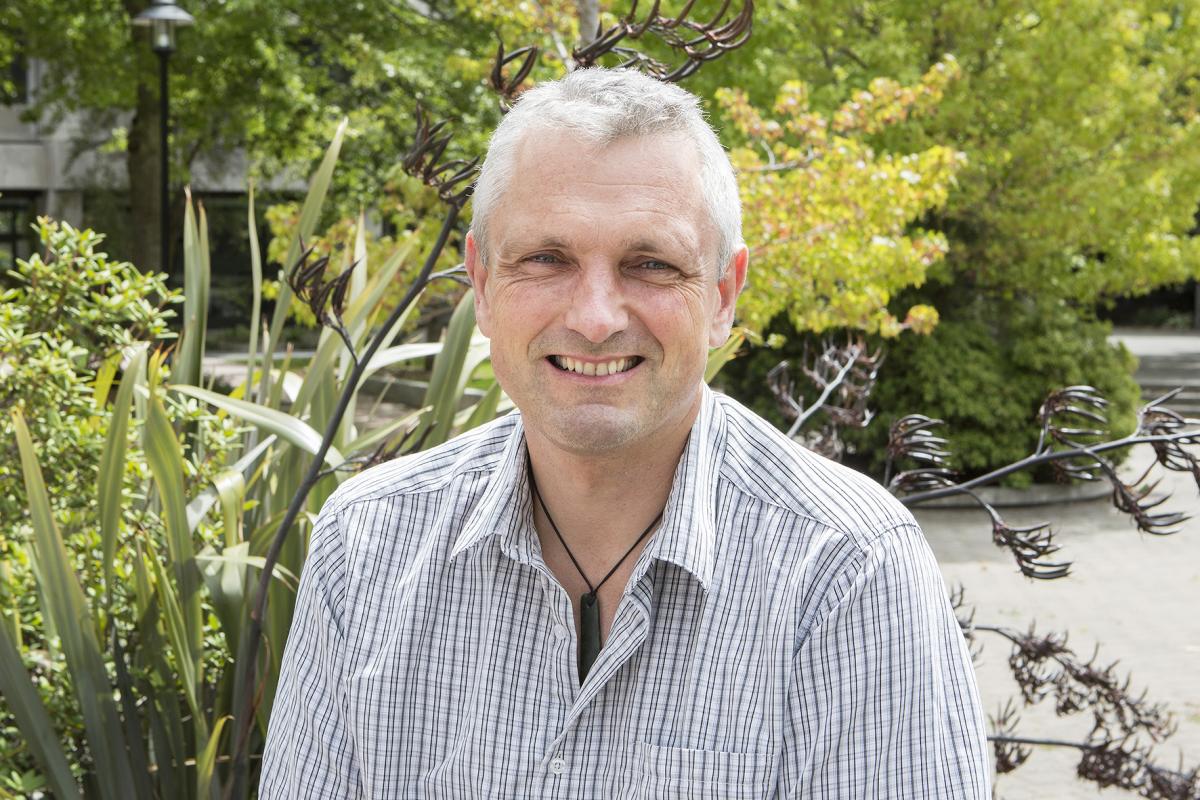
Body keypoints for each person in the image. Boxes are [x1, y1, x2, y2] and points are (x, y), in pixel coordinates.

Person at [259, 67, 991, 799]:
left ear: (722, 295)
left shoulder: (847, 573)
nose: (596, 316)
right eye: (547, 259)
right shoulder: (367, 548)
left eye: (650, 264)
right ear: (481, 284)